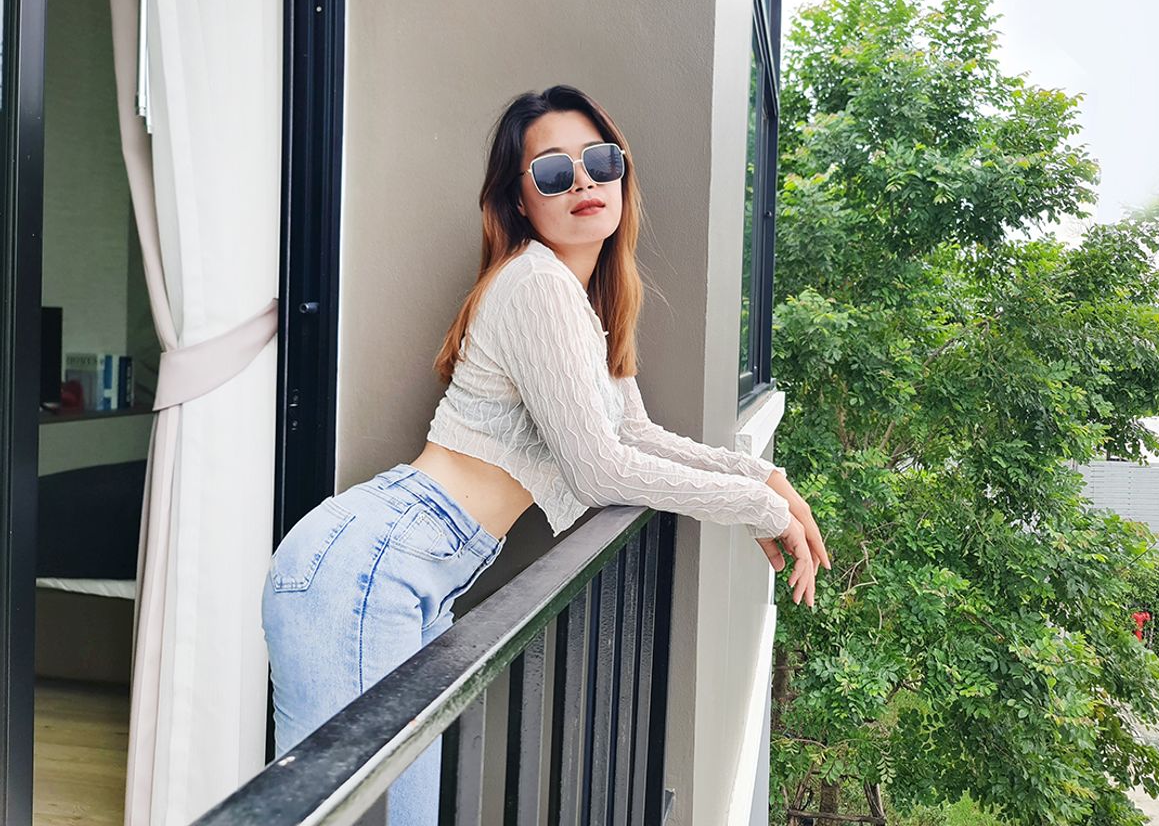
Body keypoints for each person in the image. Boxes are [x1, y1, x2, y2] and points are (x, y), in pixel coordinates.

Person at [260, 84, 831, 824]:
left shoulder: (580, 299)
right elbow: (600, 470)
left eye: (600, 161)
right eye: (555, 172)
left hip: (407, 566)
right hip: (373, 565)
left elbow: (635, 435)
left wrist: (764, 475)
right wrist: (757, 508)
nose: (584, 181)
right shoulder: (536, 284)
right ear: (520, 202)